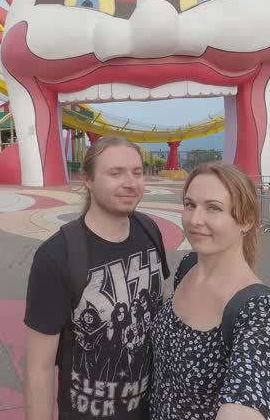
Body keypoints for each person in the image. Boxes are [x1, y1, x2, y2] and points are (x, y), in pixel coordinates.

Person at [24, 136, 170, 420]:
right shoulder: (56, 255)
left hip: (152, 408)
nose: (130, 182)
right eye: (115, 173)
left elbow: (161, 302)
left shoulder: (150, 230)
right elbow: (38, 368)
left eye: (137, 172)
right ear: (88, 180)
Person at [150, 163, 270, 420]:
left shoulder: (261, 312)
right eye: (189, 205)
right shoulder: (187, 266)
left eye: (213, 208)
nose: (195, 220)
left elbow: (247, 395)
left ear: (247, 220)